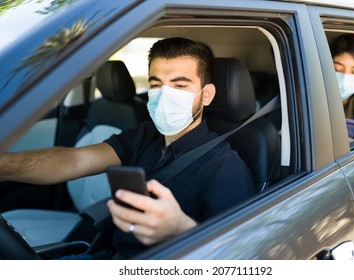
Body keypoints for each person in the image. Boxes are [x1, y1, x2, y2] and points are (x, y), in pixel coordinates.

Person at [0, 37, 255, 258]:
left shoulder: (225, 168)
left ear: (207, 95)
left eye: (179, 85)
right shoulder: (145, 135)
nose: (165, 95)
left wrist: (180, 230)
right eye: (156, 85)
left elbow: (237, 258)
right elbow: (75, 161)